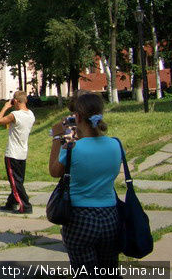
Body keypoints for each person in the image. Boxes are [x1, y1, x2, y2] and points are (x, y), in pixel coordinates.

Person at [49, 93, 122, 275]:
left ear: (78, 117)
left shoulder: (73, 149)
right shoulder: (115, 144)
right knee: (109, 271)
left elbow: (54, 171)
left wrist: (58, 137)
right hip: (111, 216)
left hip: (79, 217)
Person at [0, 90, 35, 213]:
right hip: (23, 152)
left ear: (16, 101)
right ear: (26, 100)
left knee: (15, 182)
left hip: (12, 153)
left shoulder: (15, 115)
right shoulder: (31, 114)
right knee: (18, 180)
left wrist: (5, 107)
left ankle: (25, 206)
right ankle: (10, 203)